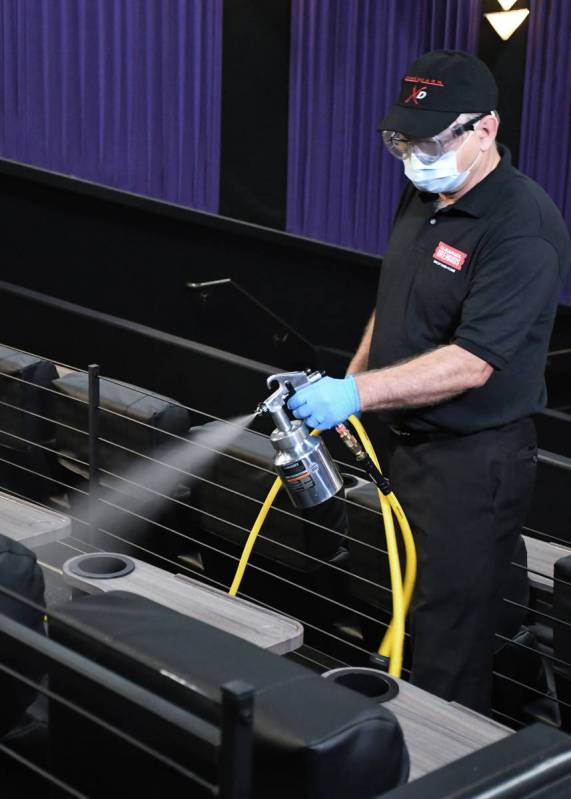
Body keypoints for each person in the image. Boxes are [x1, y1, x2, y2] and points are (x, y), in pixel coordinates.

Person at [287, 50, 570, 713]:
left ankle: (445, 760)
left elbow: (472, 362)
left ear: (485, 129)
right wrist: (352, 381)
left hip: (475, 466)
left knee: (449, 639)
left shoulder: (521, 228)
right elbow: (395, 302)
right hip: (407, 446)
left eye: (432, 139)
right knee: (413, 604)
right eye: (402, 141)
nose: (415, 156)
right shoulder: (423, 189)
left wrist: (353, 396)